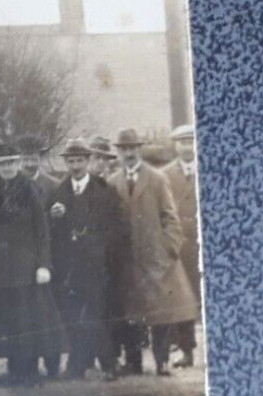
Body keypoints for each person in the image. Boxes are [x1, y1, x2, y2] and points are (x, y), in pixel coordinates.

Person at [108, 128, 199, 376]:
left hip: (155, 256)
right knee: (131, 312)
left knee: (160, 311)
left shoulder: (157, 178)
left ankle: (162, 362)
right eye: (124, 149)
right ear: (118, 152)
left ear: (140, 150)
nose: (129, 153)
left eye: (133, 149)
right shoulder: (113, 181)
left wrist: (169, 249)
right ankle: (134, 361)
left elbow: (170, 217)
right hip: (127, 258)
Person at [0, 146, 61, 386]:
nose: (6, 168)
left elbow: (42, 229)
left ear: (17, 164)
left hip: (27, 266)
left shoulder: (28, 187)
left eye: (10, 163)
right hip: (0, 266)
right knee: (7, 319)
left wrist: (43, 264)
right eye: (1, 164)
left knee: (28, 319)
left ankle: (30, 369)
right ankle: (14, 368)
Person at [48, 139, 125, 380]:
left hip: (96, 264)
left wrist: (99, 247)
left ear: (88, 161)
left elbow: (118, 227)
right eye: (71, 161)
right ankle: (76, 365)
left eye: (80, 160)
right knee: (71, 316)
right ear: (66, 163)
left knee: (98, 315)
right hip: (69, 267)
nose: (75, 166)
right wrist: (54, 217)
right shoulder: (58, 193)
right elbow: (48, 232)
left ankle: (109, 364)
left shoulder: (104, 190)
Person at [163, 124, 201, 367]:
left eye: (191, 142)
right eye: (182, 142)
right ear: (175, 146)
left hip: (202, 242)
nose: (187, 147)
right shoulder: (164, 175)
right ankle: (186, 352)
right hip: (179, 244)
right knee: (183, 298)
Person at [16, 134, 60, 204]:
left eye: (34, 160)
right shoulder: (11, 183)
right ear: (19, 160)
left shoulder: (54, 185)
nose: (29, 164)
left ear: (41, 159)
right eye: (25, 160)